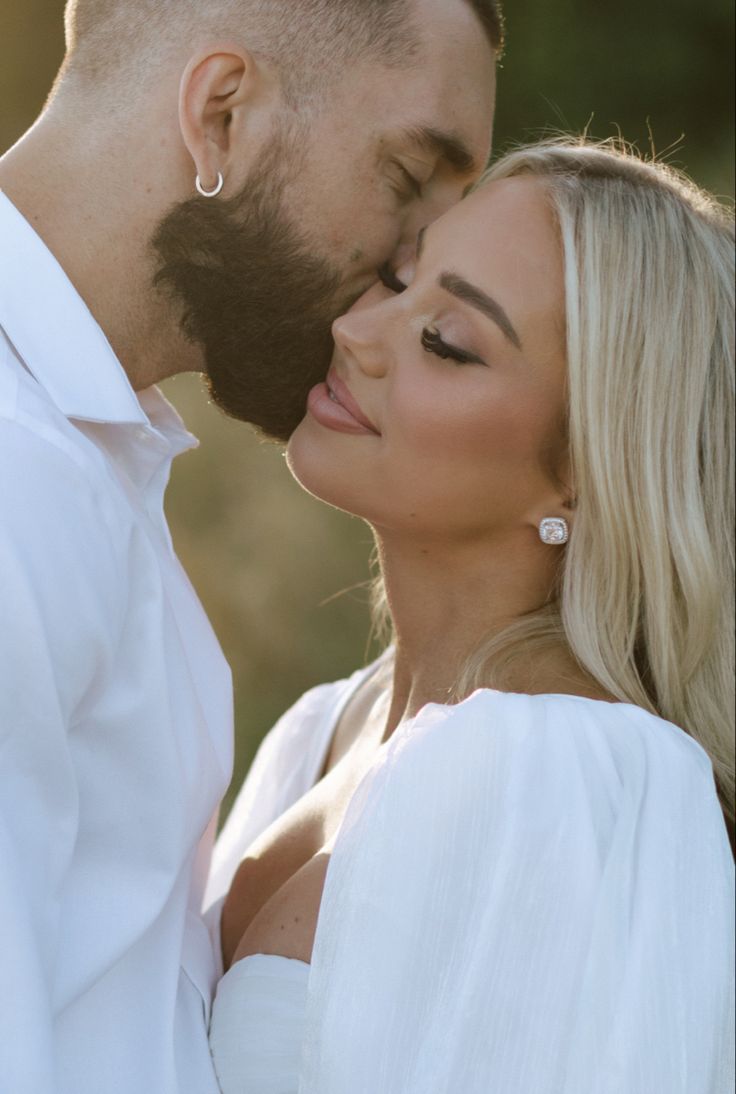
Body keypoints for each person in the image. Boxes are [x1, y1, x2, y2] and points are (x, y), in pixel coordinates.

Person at [0, 1, 500, 1091]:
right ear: (222, 114)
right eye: (410, 178)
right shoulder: (17, 471)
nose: (415, 269)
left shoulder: (92, 458)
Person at [207, 139, 736, 1093]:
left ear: (585, 469)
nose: (358, 331)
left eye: (447, 341)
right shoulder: (326, 728)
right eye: (396, 281)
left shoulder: (567, 776)